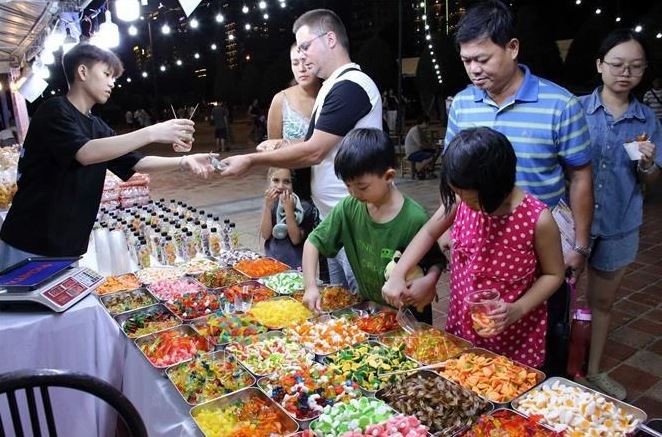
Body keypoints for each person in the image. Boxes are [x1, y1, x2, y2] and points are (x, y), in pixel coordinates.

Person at [0, 43, 214, 269]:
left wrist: (184, 161)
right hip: (29, 244)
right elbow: (85, 153)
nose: (112, 82)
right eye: (107, 74)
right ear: (82, 72)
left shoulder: (97, 125)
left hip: (68, 247)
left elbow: (136, 161)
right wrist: (152, 132)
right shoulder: (54, 111)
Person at [220, 9, 382, 291]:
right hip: (335, 219)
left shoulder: (350, 86)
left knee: (365, 303)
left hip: (357, 222)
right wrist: (280, 144)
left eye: (306, 46)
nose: (303, 56)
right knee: (341, 301)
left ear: (330, 39)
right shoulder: (332, 87)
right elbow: (317, 143)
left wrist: (250, 160)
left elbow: (313, 152)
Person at [383, 127, 565, 368]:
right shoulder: (461, 201)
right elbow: (428, 232)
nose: (463, 202)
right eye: (457, 193)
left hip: (513, 332)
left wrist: (517, 310)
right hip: (463, 323)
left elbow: (554, 274)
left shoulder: (537, 220)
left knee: (503, 387)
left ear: (497, 186)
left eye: (472, 198)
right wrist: (397, 274)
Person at [445, 0, 593, 284]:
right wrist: (445, 228)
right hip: (478, 236)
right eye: (466, 61)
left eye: (483, 59)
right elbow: (455, 177)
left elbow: (580, 177)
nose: (474, 69)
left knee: (541, 317)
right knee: (483, 314)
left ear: (512, 48)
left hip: (541, 239)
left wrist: (580, 246)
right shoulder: (462, 104)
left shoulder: (560, 105)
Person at [576, 29, 661, 400]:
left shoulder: (647, 121)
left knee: (603, 303)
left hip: (619, 225)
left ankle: (593, 370)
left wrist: (648, 164)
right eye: (617, 64)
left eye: (635, 67)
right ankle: (559, 365)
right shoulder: (576, 110)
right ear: (599, 65)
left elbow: (653, 180)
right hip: (571, 226)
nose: (625, 73)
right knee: (557, 297)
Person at [302, 129, 446, 323]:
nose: (353, 193)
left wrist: (429, 282)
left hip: (410, 319)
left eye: (362, 187)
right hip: (370, 314)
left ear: (388, 176)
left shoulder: (414, 218)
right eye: (348, 186)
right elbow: (313, 243)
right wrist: (310, 286)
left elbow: (436, 261)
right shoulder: (349, 207)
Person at [260, 168, 317, 269]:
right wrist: (267, 207)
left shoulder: (305, 208)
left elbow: (296, 239)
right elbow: (265, 234)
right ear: (269, 180)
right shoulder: (272, 203)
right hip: (272, 261)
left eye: (286, 182)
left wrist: (289, 211)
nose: (280, 186)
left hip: (295, 264)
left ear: (293, 184)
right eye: (276, 180)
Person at [266, 43, 321, 144]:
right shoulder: (281, 100)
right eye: (295, 63)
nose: (301, 69)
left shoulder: (332, 94)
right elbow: (272, 151)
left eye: (306, 62)